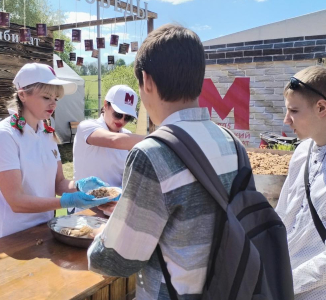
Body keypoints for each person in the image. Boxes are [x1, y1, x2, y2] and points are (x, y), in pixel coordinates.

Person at [87, 24, 239, 299]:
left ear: (147, 81)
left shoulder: (152, 154)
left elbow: (116, 260)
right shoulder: (232, 144)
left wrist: (97, 239)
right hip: (229, 288)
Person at [0, 63, 112, 241]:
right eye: (46, 97)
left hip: (44, 230)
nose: (53, 103)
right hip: (11, 237)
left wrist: (81, 186)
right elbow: (16, 201)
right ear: (23, 95)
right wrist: (67, 201)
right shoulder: (4, 135)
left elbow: (58, 182)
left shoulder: (46, 133)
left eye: (56, 98)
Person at [275, 66, 326, 299]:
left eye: (294, 111)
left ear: (322, 108)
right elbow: (282, 217)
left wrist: (280, 284)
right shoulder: (302, 151)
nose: (287, 120)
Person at [71, 85, 144, 215]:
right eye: (118, 114)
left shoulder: (127, 135)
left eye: (128, 117)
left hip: (114, 210)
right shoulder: (87, 127)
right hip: (88, 209)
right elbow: (113, 140)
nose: (122, 120)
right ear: (106, 105)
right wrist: (160, 138)